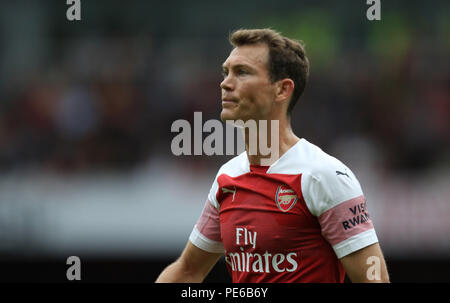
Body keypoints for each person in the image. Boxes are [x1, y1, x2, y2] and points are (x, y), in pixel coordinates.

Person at [156, 28, 389, 283]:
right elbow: (188, 270)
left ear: (282, 90)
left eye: (242, 72)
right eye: (226, 72)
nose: (225, 82)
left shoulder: (324, 176)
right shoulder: (227, 177)